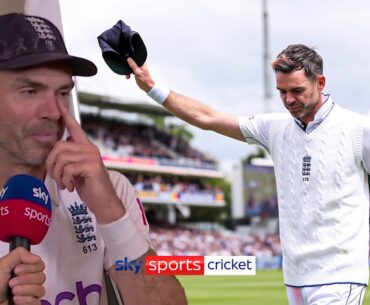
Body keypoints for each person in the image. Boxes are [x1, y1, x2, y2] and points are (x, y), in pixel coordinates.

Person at [127, 44, 370, 304]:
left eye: (297, 90)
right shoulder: (274, 128)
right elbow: (207, 117)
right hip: (295, 276)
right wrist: (152, 88)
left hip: (340, 274)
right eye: (282, 92)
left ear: (320, 83)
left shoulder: (358, 128)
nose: (289, 100)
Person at [0, 13, 187, 305]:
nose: (53, 110)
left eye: (63, 92)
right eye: (30, 91)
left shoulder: (110, 188)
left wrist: (110, 212)